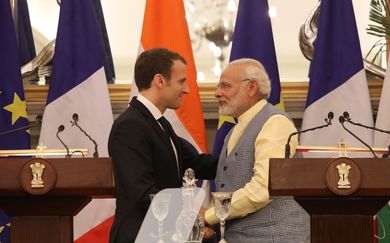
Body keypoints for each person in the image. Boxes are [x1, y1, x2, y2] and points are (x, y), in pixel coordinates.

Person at [108, 48, 218, 243]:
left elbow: (195, 163)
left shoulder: (159, 123)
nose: (187, 89)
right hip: (141, 236)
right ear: (159, 81)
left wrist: (246, 159)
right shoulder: (130, 126)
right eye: (181, 81)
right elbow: (142, 194)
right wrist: (192, 213)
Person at [204, 58, 310, 242]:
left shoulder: (275, 123)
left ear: (251, 87)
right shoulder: (235, 130)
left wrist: (209, 216)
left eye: (225, 86)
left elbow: (263, 188)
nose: (217, 93)